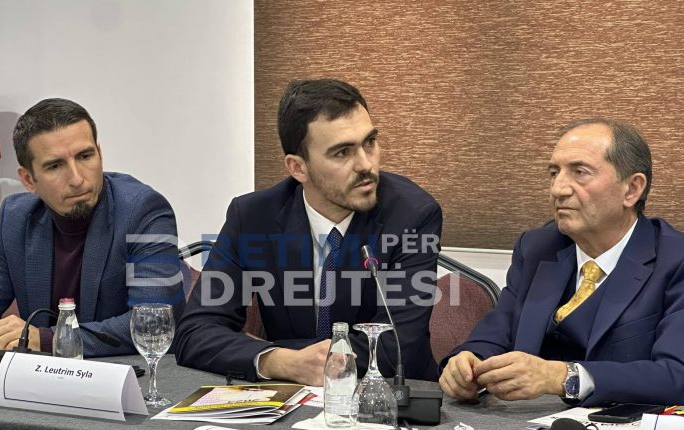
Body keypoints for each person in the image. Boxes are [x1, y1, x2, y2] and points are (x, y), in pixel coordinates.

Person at [175, 79, 442, 385]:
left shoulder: (412, 215)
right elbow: (195, 333)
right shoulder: (253, 217)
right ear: (298, 168)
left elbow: (399, 348)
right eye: (342, 152)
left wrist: (277, 349)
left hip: (388, 397)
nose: (366, 164)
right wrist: (277, 361)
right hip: (290, 398)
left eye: (369, 142)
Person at [439, 117, 684, 406]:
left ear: (632, 189)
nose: (558, 189)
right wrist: (467, 363)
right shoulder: (538, 248)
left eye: (580, 172)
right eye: (554, 173)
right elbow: (493, 337)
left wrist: (563, 376)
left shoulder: (675, 260)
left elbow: (676, 376)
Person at [0, 98, 183, 357]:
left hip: (129, 373)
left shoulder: (143, 211)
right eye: (55, 166)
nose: (77, 179)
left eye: (85, 156)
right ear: (28, 179)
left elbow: (154, 323)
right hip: (43, 376)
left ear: (100, 154)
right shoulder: (17, 217)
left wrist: (49, 339)